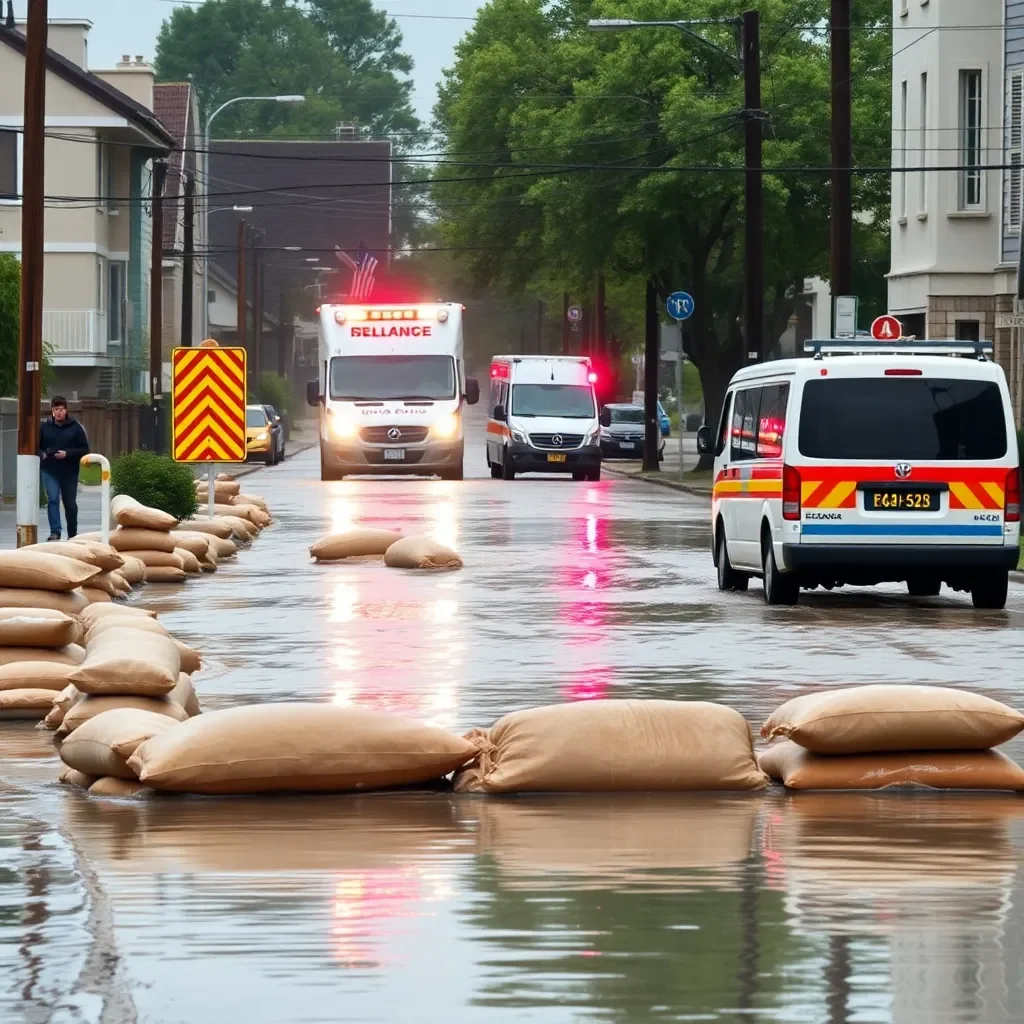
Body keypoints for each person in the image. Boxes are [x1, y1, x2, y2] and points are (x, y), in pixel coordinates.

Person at [38, 396, 89, 541]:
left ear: (66, 410)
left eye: (62, 409)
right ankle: (55, 531)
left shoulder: (75, 427)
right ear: (52, 411)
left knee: (70, 504)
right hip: (50, 469)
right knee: (53, 499)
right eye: (56, 409)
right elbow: (37, 446)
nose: (59, 412)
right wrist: (42, 453)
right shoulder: (44, 427)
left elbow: (85, 449)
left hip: (69, 472)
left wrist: (67, 454)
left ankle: (72, 533)